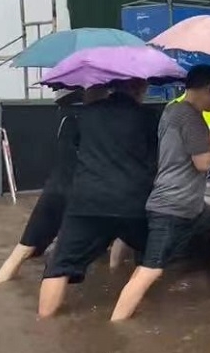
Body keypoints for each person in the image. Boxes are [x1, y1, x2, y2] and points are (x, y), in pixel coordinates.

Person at [110, 64, 210, 321]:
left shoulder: (173, 110)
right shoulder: (191, 117)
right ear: (209, 89)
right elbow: (203, 163)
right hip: (173, 206)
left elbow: (201, 140)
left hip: (192, 206)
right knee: (151, 270)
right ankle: (116, 323)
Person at [38, 79, 160, 318]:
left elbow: (74, 149)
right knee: (151, 258)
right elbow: (155, 158)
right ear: (139, 88)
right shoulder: (149, 117)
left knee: (58, 267)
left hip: (87, 202)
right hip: (133, 201)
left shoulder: (85, 114)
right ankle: (130, 315)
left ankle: (44, 326)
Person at [0, 87, 110, 286]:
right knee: (67, 258)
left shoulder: (64, 119)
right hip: (80, 196)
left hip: (54, 191)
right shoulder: (96, 122)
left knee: (22, 250)